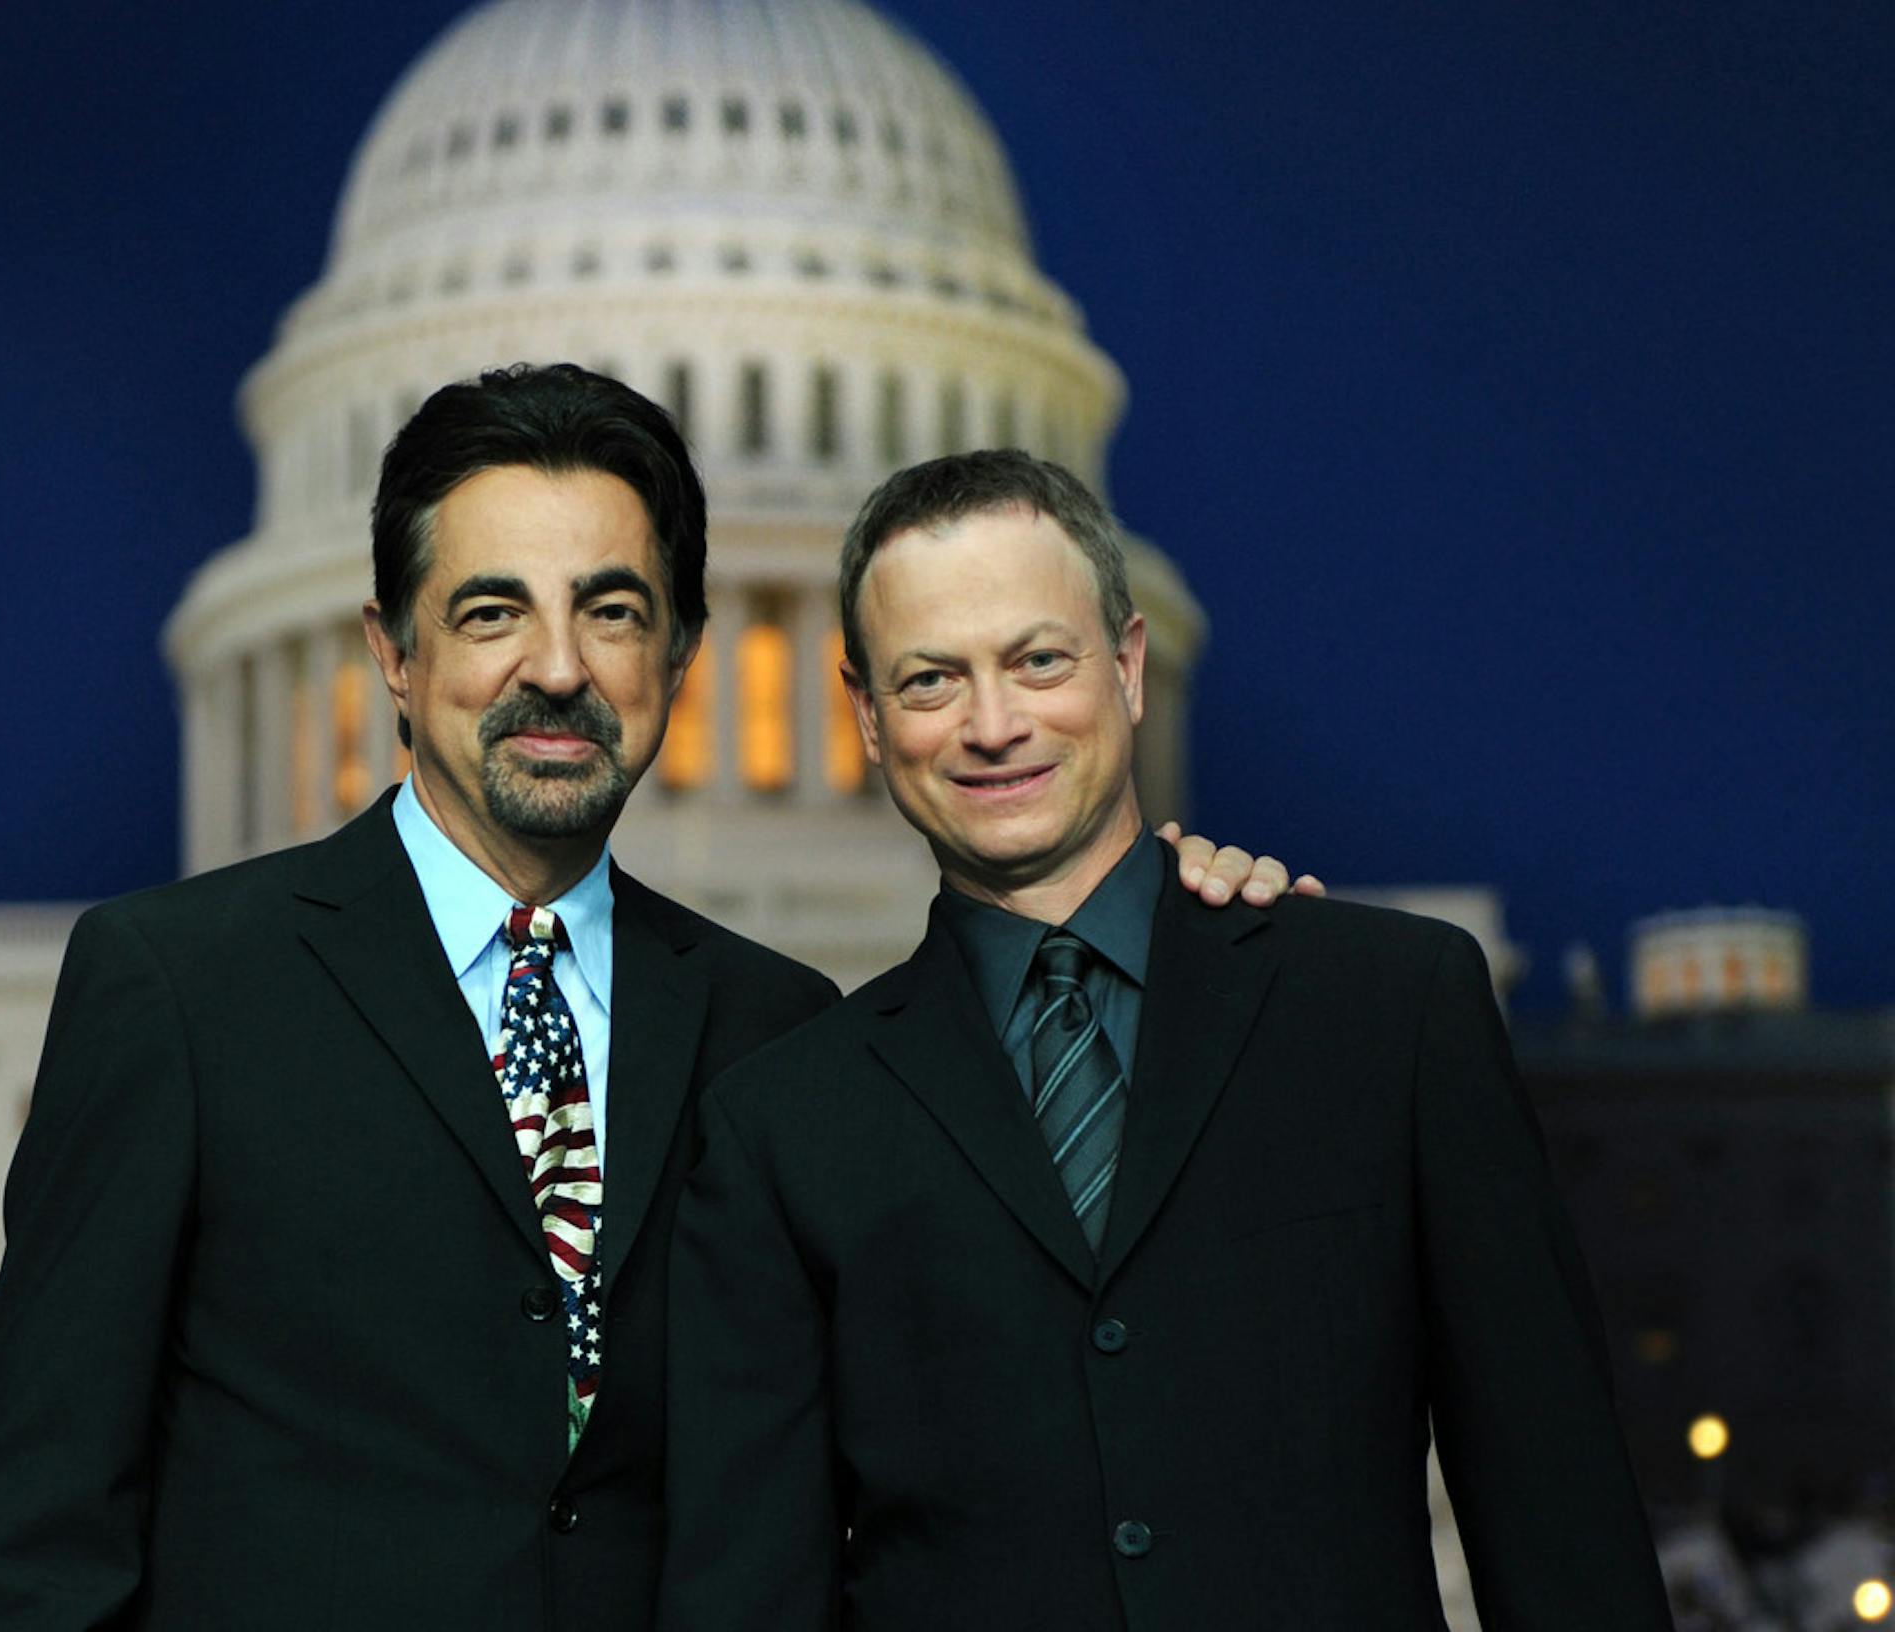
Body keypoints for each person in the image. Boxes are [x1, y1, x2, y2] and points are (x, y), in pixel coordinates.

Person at [0, 368, 1298, 1630]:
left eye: (612, 610)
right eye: (491, 611)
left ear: (683, 657)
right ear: (392, 651)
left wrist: (1156, 941)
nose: (557, 668)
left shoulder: (779, 1028)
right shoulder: (181, 985)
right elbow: (40, 1526)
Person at [661, 449, 1673, 1631]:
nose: (995, 724)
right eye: (932, 679)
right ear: (870, 719)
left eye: (1039, 659)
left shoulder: (1387, 1009)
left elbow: (1559, 1516)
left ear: (1130, 666)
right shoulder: (785, 1121)